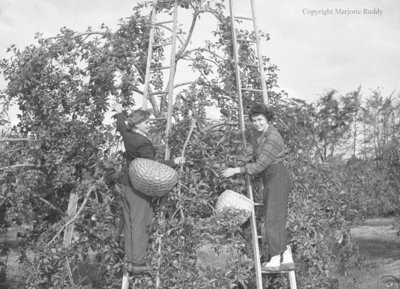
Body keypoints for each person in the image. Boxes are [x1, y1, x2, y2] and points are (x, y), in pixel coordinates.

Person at [221, 102, 294, 272]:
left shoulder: (273, 137)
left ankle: (275, 258)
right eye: (254, 121)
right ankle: (287, 257)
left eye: (260, 120)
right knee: (277, 218)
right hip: (271, 177)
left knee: (272, 219)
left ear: (267, 119)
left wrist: (237, 170)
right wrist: (232, 164)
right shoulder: (258, 136)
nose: (257, 123)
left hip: (277, 176)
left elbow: (260, 165)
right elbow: (249, 152)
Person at [113, 103, 184, 274]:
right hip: (138, 188)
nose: (148, 125)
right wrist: (174, 162)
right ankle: (137, 263)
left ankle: (129, 261)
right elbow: (152, 167)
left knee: (130, 223)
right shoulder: (143, 142)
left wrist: (119, 112)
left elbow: (121, 125)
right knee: (140, 223)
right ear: (137, 123)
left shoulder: (128, 135)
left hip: (125, 185)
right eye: (145, 122)